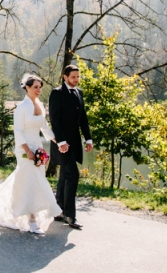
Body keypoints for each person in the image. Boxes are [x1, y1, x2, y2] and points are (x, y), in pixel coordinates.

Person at [0, 74, 61, 234]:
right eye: (35, 87)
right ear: (27, 88)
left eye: (40, 87)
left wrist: (58, 142)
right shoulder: (22, 108)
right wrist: (27, 150)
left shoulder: (40, 104)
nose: (39, 90)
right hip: (25, 150)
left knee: (33, 180)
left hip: (38, 148)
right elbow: (18, 132)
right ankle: (32, 220)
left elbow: (44, 128)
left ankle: (20, 210)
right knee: (32, 182)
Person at [49, 65, 93, 230]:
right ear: (65, 77)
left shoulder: (79, 93)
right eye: (73, 77)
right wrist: (61, 142)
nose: (76, 80)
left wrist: (88, 139)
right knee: (73, 175)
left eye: (77, 77)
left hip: (74, 144)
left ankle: (59, 210)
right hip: (62, 144)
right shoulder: (57, 93)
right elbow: (55, 119)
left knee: (64, 176)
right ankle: (70, 215)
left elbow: (83, 119)